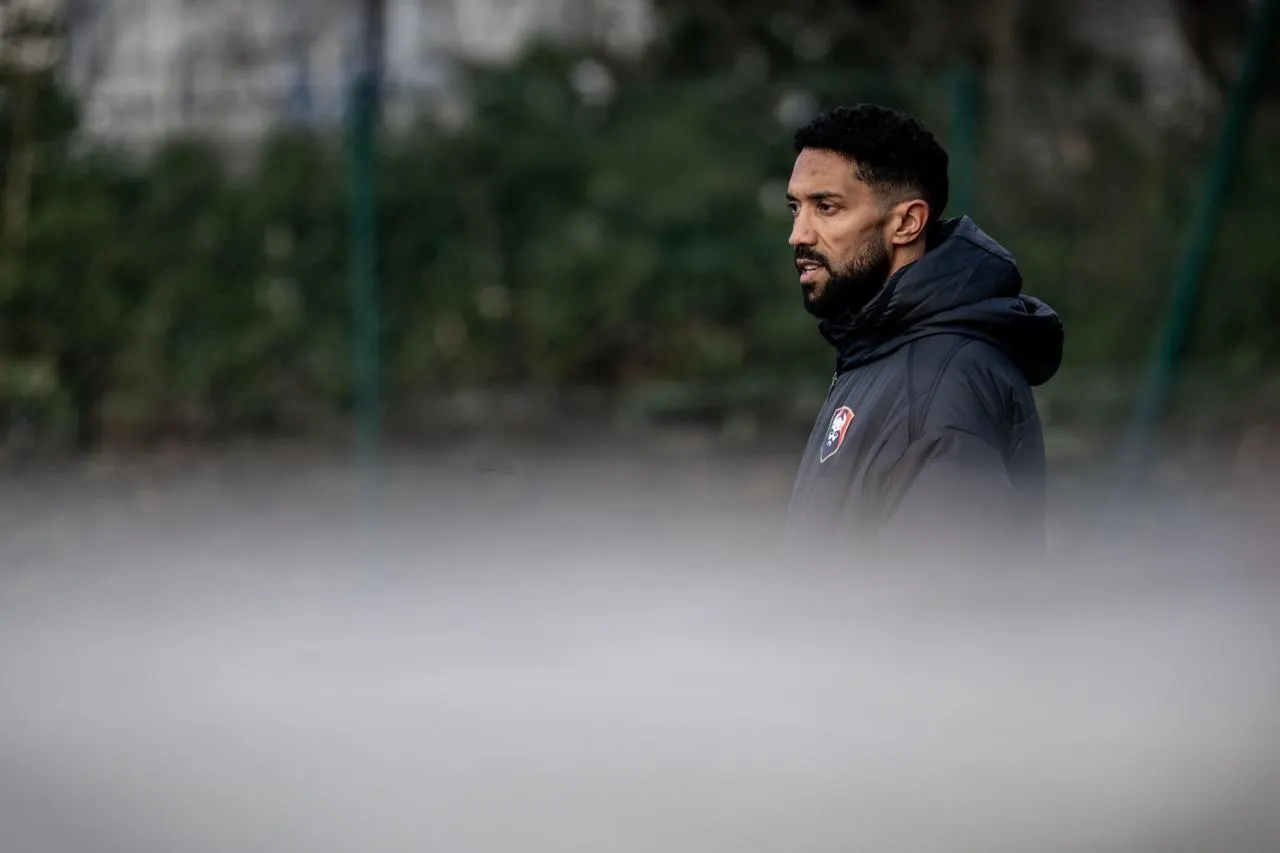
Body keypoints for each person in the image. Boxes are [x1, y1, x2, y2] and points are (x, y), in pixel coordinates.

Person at [784, 104, 1064, 556]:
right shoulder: (878, 350)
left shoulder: (943, 384)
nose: (799, 234)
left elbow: (940, 596)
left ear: (906, 223)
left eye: (826, 207)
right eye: (795, 208)